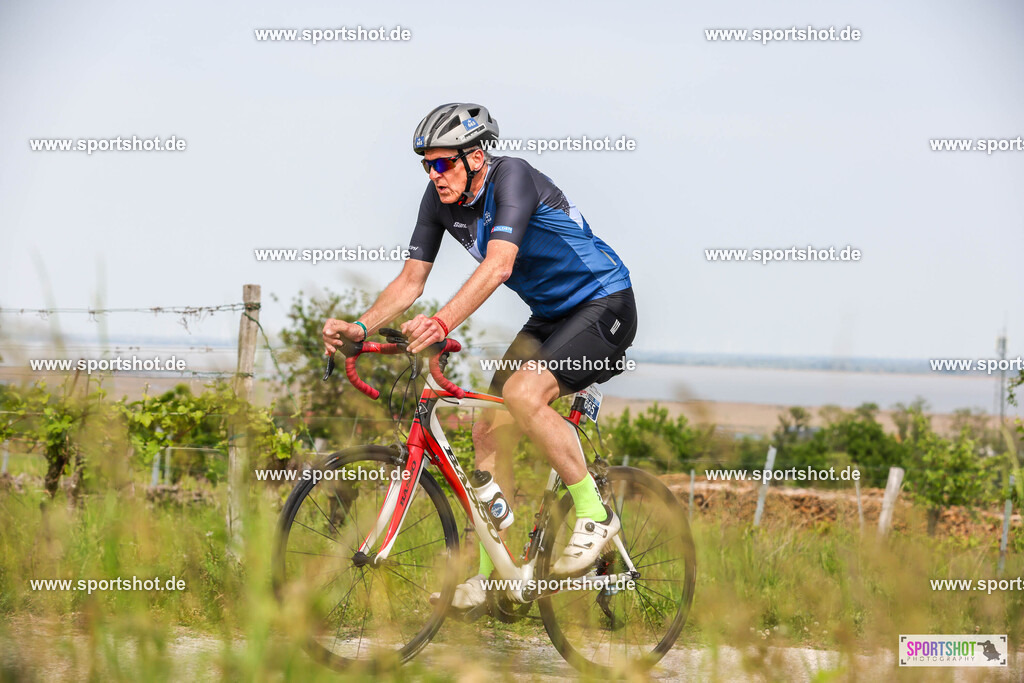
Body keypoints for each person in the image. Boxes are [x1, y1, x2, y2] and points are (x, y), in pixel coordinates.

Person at [322, 103, 637, 609]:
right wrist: (360, 326)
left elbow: (499, 264)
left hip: (604, 303)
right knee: (487, 426)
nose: (433, 173)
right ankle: (499, 577)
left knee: (522, 392)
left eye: (443, 163)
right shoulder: (438, 199)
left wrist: (441, 322)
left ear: (475, 156)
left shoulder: (512, 177)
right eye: (426, 164)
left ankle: (595, 513)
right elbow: (411, 280)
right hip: (551, 316)